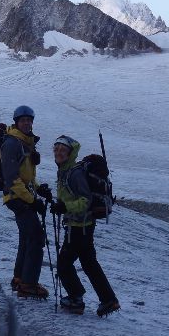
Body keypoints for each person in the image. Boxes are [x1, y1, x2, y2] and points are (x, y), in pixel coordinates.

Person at [51, 135, 120, 317]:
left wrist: (65, 207)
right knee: (89, 263)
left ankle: (76, 298)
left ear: (70, 153)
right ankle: (108, 299)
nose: (58, 152)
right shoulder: (65, 171)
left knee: (64, 264)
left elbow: (85, 200)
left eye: (63, 150)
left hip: (79, 227)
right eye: (56, 149)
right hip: (83, 225)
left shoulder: (74, 173)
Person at [0, 105, 52, 299]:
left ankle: (19, 278)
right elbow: (12, 178)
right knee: (37, 237)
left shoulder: (25, 143)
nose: (27, 123)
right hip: (16, 198)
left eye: (29, 120)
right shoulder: (12, 143)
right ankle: (28, 284)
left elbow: (26, 177)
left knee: (27, 237)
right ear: (16, 122)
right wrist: (32, 201)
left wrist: (38, 189)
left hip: (21, 196)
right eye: (23, 120)